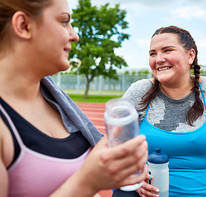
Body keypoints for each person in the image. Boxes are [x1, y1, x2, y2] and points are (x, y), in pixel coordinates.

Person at [0, 0, 148, 196]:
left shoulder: (54, 101)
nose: (74, 35)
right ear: (24, 26)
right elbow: (84, 181)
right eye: (64, 21)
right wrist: (88, 182)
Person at [112, 26, 206, 197]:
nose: (159, 59)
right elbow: (115, 147)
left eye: (167, 50)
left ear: (190, 55)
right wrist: (133, 176)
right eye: (152, 53)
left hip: (205, 193)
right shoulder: (138, 92)